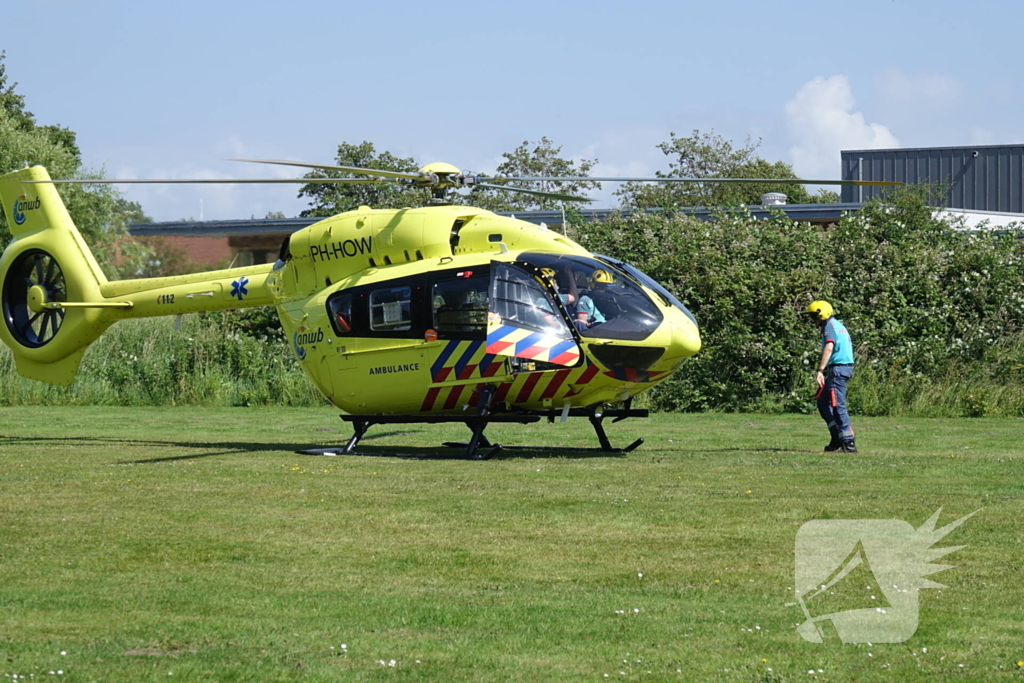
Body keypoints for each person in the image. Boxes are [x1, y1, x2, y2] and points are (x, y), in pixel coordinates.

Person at [807, 300, 856, 453]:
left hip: (837, 370)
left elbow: (829, 346)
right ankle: (837, 437)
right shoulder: (835, 325)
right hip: (838, 369)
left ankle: (848, 443)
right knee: (822, 401)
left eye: (813, 316)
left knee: (837, 405)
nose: (813, 320)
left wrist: (820, 370)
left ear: (821, 313)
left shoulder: (829, 327)